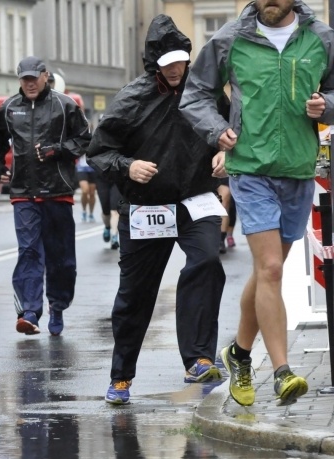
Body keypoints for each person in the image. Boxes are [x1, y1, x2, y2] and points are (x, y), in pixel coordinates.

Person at [180, 0, 334, 407]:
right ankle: (282, 371)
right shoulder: (231, 38)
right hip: (249, 169)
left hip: (299, 171)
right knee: (271, 268)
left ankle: (239, 353)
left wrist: (326, 107)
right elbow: (194, 95)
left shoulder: (320, 38)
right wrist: (218, 130)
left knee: (269, 272)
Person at [87, 15, 226, 405]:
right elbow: (99, 153)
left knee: (206, 262)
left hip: (195, 199)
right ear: (155, 64)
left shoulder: (205, 92)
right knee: (136, 294)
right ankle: (121, 377)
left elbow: (229, 129)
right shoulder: (132, 99)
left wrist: (222, 154)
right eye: (169, 63)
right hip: (146, 206)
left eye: (182, 60)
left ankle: (198, 357)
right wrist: (127, 166)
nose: (177, 69)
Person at [0, 56, 91, 336]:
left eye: (35, 78)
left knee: (60, 257)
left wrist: (57, 149)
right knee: (29, 251)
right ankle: (30, 312)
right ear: (19, 80)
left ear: (46, 76)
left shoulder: (65, 104)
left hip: (58, 191)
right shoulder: (9, 108)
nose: (30, 84)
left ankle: (57, 306)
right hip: (23, 192)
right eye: (25, 79)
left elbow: (84, 139)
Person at [76, 155, 97, 223]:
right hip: (81, 167)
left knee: (92, 193)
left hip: (93, 167)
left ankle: (91, 213)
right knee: (85, 190)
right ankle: (84, 211)